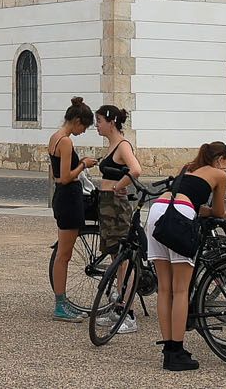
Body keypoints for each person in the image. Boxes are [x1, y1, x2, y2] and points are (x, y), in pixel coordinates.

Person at [150, 141, 226, 372]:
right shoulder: (218, 174)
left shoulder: (189, 168)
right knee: (180, 290)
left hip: (158, 212)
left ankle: (169, 350)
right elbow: (215, 212)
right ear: (219, 161)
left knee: (165, 289)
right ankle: (177, 352)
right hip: (181, 217)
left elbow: (192, 202)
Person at [93, 104, 144, 336]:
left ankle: (129, 312)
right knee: (116, 257)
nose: (97, 125)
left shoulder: (122, 145)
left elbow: (135, 170)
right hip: (107, 204)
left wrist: (118, 187)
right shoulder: (112, 145)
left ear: (111, 122)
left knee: (124, 259)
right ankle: (119, 306)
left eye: (99, 121)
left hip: (116, 205)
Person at [48, 97, 98, 322]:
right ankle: (60, 304)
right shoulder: (66, 141)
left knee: (63, 254)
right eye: (83, 127)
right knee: (64, 254)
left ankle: (63, 301)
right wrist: (83, 165)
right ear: (76, 120)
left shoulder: (54, 138)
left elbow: (55, 174)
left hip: (62, 197)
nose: (83, 131)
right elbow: (66, 177)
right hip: (69, 197)